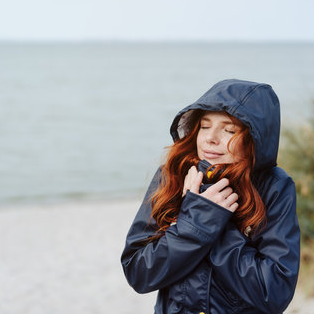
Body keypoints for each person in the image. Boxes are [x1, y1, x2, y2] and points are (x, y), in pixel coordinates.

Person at [121, 79, 300, 314]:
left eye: (229, 130)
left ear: (255, 138)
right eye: (205, 126)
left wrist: (210, 220)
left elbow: (273, 292)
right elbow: (139, 272)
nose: (210, 138)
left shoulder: (274, 187)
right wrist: (196, 220)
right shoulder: (174, 173)